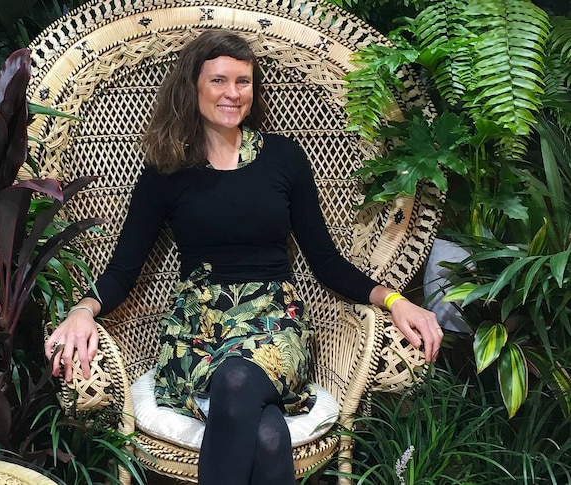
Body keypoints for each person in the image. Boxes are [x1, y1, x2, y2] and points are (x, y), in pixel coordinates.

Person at [44, 30, 442, 485]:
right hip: (197, 328)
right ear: (191, 87)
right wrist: (81, 310)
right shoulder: (165, 171)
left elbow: (326, 261)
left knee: (237, 380)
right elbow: (123, 270)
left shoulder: (284, 159)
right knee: (269, 437)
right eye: (218, 80)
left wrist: (395, 300)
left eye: (244, 81)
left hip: (274, 321)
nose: (233, 93)